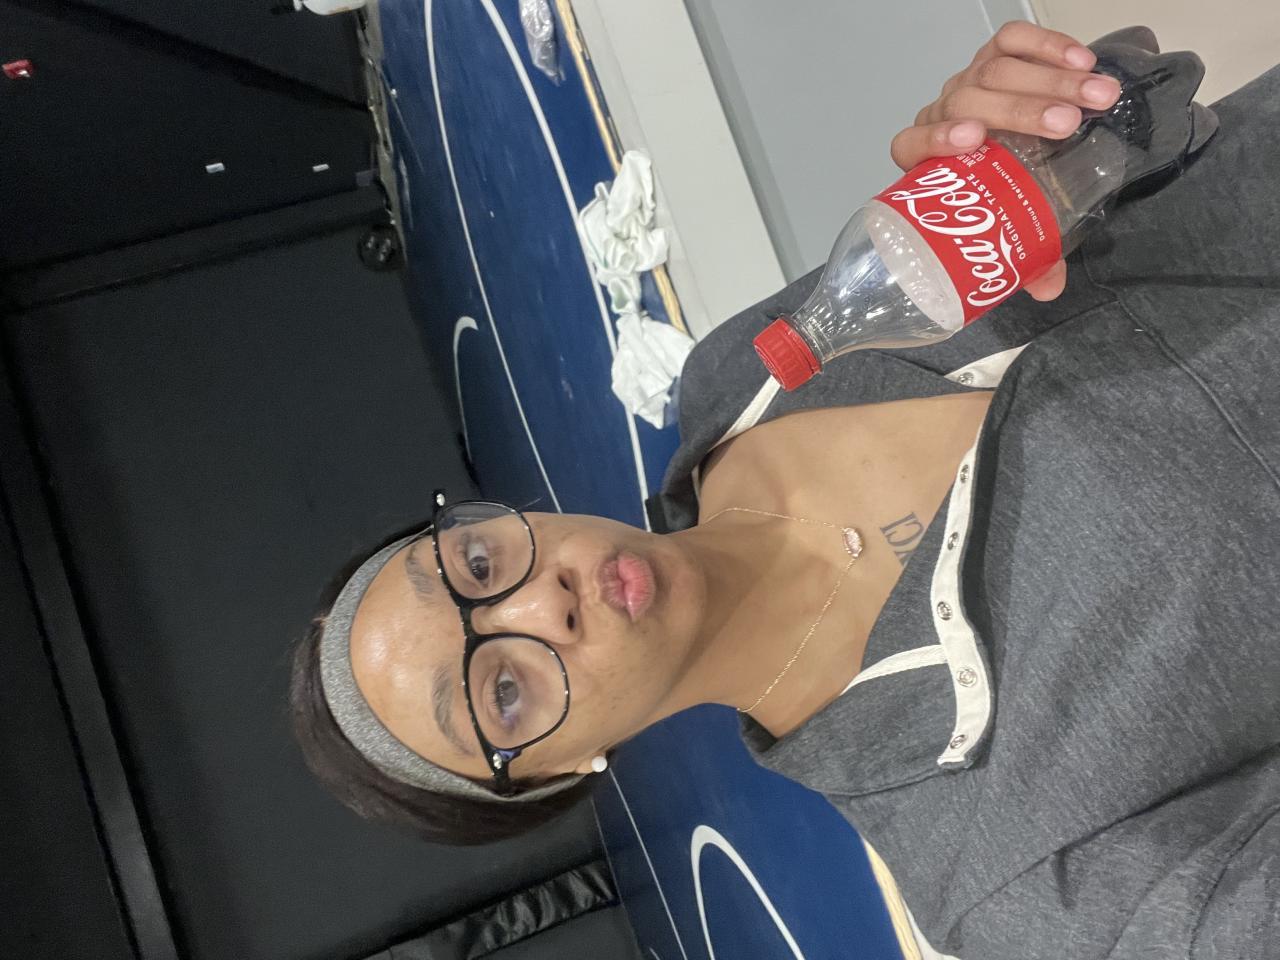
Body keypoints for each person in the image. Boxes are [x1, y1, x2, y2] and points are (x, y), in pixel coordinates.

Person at [290, 21, 1280, 959]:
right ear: (561, 774)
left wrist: (1044, 120)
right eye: (503, 691)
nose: (540, 602)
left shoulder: (738, 379)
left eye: (475, 564)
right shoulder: (1007, 868)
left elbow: (1164, 127)